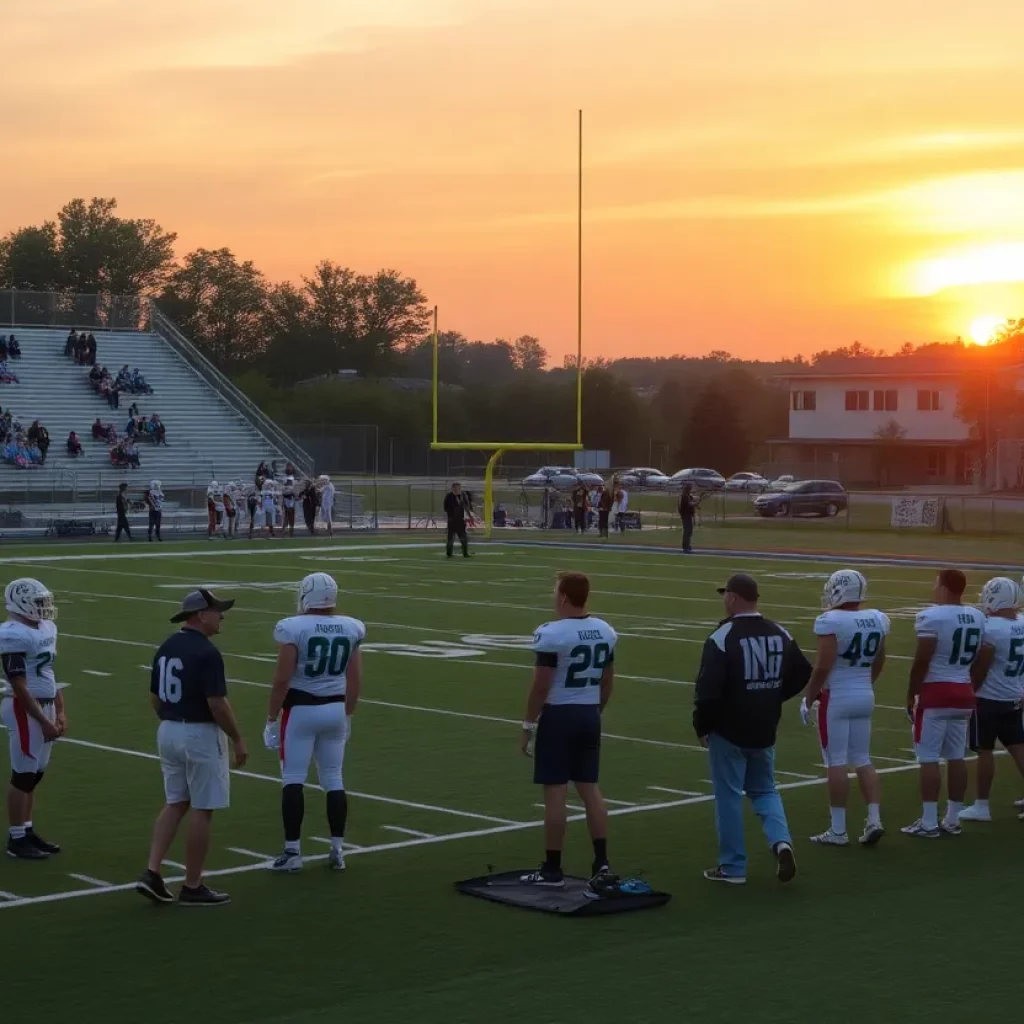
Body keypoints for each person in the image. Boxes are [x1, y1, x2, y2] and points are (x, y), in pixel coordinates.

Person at [693, 573, 810, 884]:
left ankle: (733, 866)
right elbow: (802, 671)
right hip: (764, 725)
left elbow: (708, 690)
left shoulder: (723, 636)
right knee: (765, 789)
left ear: (733, 597)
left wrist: (702, 725)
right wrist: (772, 695)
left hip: (729, 728)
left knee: (729, 796)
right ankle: (781, 842)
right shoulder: (779, 632)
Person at [135, 589, 246, 906]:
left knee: (175, 802)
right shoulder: (207, 652)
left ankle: (152, 871)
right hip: (199, 733)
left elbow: (155, 697)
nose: (221, 616)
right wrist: (237, 738)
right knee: (202, 807)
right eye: (216, 610)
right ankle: (193, 884)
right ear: (200, 614)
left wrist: (172, 718)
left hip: (168, 730)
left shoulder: (167, 645)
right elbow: (217, 703)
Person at [520, 571, 616, 888]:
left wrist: (528, 724)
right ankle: (602, 864)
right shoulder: (604, 630)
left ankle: (552, 869)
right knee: (590, 789)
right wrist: (595, 711)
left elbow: (541, 685)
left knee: (555, 792)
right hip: (589, 713)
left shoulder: (552, 633)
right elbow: (607, 681)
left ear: (563, 596)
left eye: (555, 590)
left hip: (559, 715)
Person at [263, 572, 364, 872]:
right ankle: (337, 850)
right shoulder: (351, 626)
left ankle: (292, 852)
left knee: (293, 778)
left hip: (301, 710)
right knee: (334, 777)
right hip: (335, 709)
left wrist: (271, 719)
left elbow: (281, 680)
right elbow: (355, 678)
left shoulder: (293, 627)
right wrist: (348, 714)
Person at [800, 570, 888, 846]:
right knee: (862, 758)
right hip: (864, 693)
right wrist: (865, 684)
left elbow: (823, 665)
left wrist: (808, 696)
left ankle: (838, 830)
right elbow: (880, 659)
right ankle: (874, 819)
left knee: (835, 761)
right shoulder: (877, 618)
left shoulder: (830, 621)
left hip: (837, 696)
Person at [902, 568, 985, 838]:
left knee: (928, 758)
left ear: (946, 588)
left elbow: (922, 660)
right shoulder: (977, 616)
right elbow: (982, 658)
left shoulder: (932, 616)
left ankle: (928, 822)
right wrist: (970, 684)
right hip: (963, 690)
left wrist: (912, 692)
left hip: (936, 692)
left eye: (937, 584)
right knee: (956, 756)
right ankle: (952, 818)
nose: (934, 589)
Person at [0, 579, 63, 860]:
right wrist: (43, 719)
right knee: (23, 775)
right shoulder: (12, 633)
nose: (44, 607)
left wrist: (60, 709)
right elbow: (19, 684)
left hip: (44, 705)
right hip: (23, 707)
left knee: (35, 774)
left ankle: (26, 830)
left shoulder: (46, 628)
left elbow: (49, 672)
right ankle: (16, 839)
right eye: (39, 602)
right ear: (21, 602)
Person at [958, 577, 1024, 822]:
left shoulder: (991, 628)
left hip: (988, 697)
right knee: (1018, 746)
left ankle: (982, 805)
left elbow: (981, 668)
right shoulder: (1022, 622)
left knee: (984, 750)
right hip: (1014, 695)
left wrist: (969, 689)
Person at [444, 482, 469, 558]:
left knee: (464, 538)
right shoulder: (449, 497)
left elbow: (466, 506)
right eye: (456, 487)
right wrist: (452, 512)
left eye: (459, 488)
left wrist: (469, 516)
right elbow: (445, 508)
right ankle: (449, 553)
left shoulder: (462, 495)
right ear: (453, 488)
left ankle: (465, 553)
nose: (458, 489)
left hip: (460, 521)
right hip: (452, 521)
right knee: (450, 538)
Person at [679, 484, 698, 553]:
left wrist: (696, 503)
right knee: (687, 531)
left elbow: (692, 503)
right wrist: (695, 503)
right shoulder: (684, 496)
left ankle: (687, 545)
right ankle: (685, 547)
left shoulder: (689, 496)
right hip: (685, 515)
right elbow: (689, 504)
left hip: (689, 515)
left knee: (690, 531)